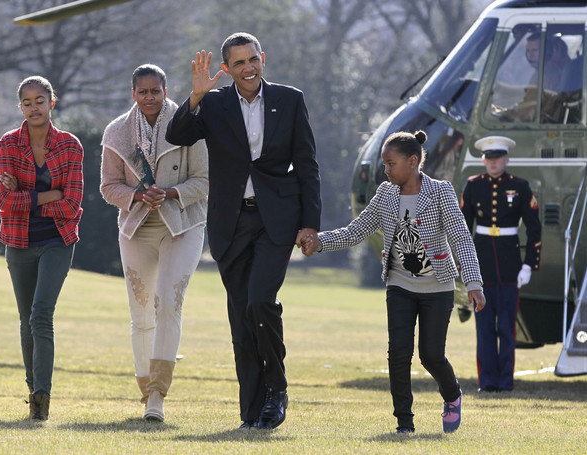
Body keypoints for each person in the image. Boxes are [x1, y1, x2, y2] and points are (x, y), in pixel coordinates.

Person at [165, 32, 321, 430]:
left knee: (259, 301)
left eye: (253, 59)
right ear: (226, 69)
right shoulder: (214, 104)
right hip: (230, 222)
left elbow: (307, 165)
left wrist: (310, 224)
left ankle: (277, 388)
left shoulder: (290, 99)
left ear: (262, 58)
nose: (248, 68)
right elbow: (177, 135)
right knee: (240, 318)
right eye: (239, 63)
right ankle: (251, 411)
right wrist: (196, 96)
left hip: (277, 220)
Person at [300, 131, 485, 434]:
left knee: (431, 356)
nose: (386, 171)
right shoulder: (385, 194)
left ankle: (452, 396)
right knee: (398, 353)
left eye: (391, 164)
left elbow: (460, 237)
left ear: (412, 162)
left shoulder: (440, 192)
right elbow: (356, 231)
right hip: (399, 285)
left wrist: (473, 283)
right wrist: (319, 242)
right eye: (384, 165)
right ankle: (404, 423)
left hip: (437, 287)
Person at [100, 64, 208, 422]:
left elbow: (205, 181)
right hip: (136, 226)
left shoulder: (188, 125)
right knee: (141, 313)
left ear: (165, 91)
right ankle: (146, 392)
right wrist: (136, 195)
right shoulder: (117, 132)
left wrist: (172, 191)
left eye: (155, 91)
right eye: (142, 92)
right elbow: (108, 186)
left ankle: (159, 394)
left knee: (168, 305)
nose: (149, 98)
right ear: (133, 93)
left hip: (181, 224)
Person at [0, 76, 84, 421]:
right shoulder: (7, 144)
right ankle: (32, 388)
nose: (34, 107)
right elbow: (4, 201)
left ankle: (42, 399)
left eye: (40, 100)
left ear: (52, 102)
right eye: (27, 102)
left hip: (57, 240)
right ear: (21, 107)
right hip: (18, 242)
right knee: (25, 320)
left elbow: (73, 204)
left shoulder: (70, 145)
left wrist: (26, 197)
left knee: (41, 315)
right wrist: (49, 194)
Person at [460, 136, 541, 393]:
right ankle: (487, 381)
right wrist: (464, 264)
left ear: (506, 160)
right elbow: (463, 228)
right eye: (489, 159)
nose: (493, 164)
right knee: (484, 328)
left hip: (509, 265)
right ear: (483, 160)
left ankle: (505, 381)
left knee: (506, 327)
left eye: (498, 159)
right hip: (481, 264)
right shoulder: (473, 186)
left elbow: (534, 228)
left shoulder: (520, 186)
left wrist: (529, 265)